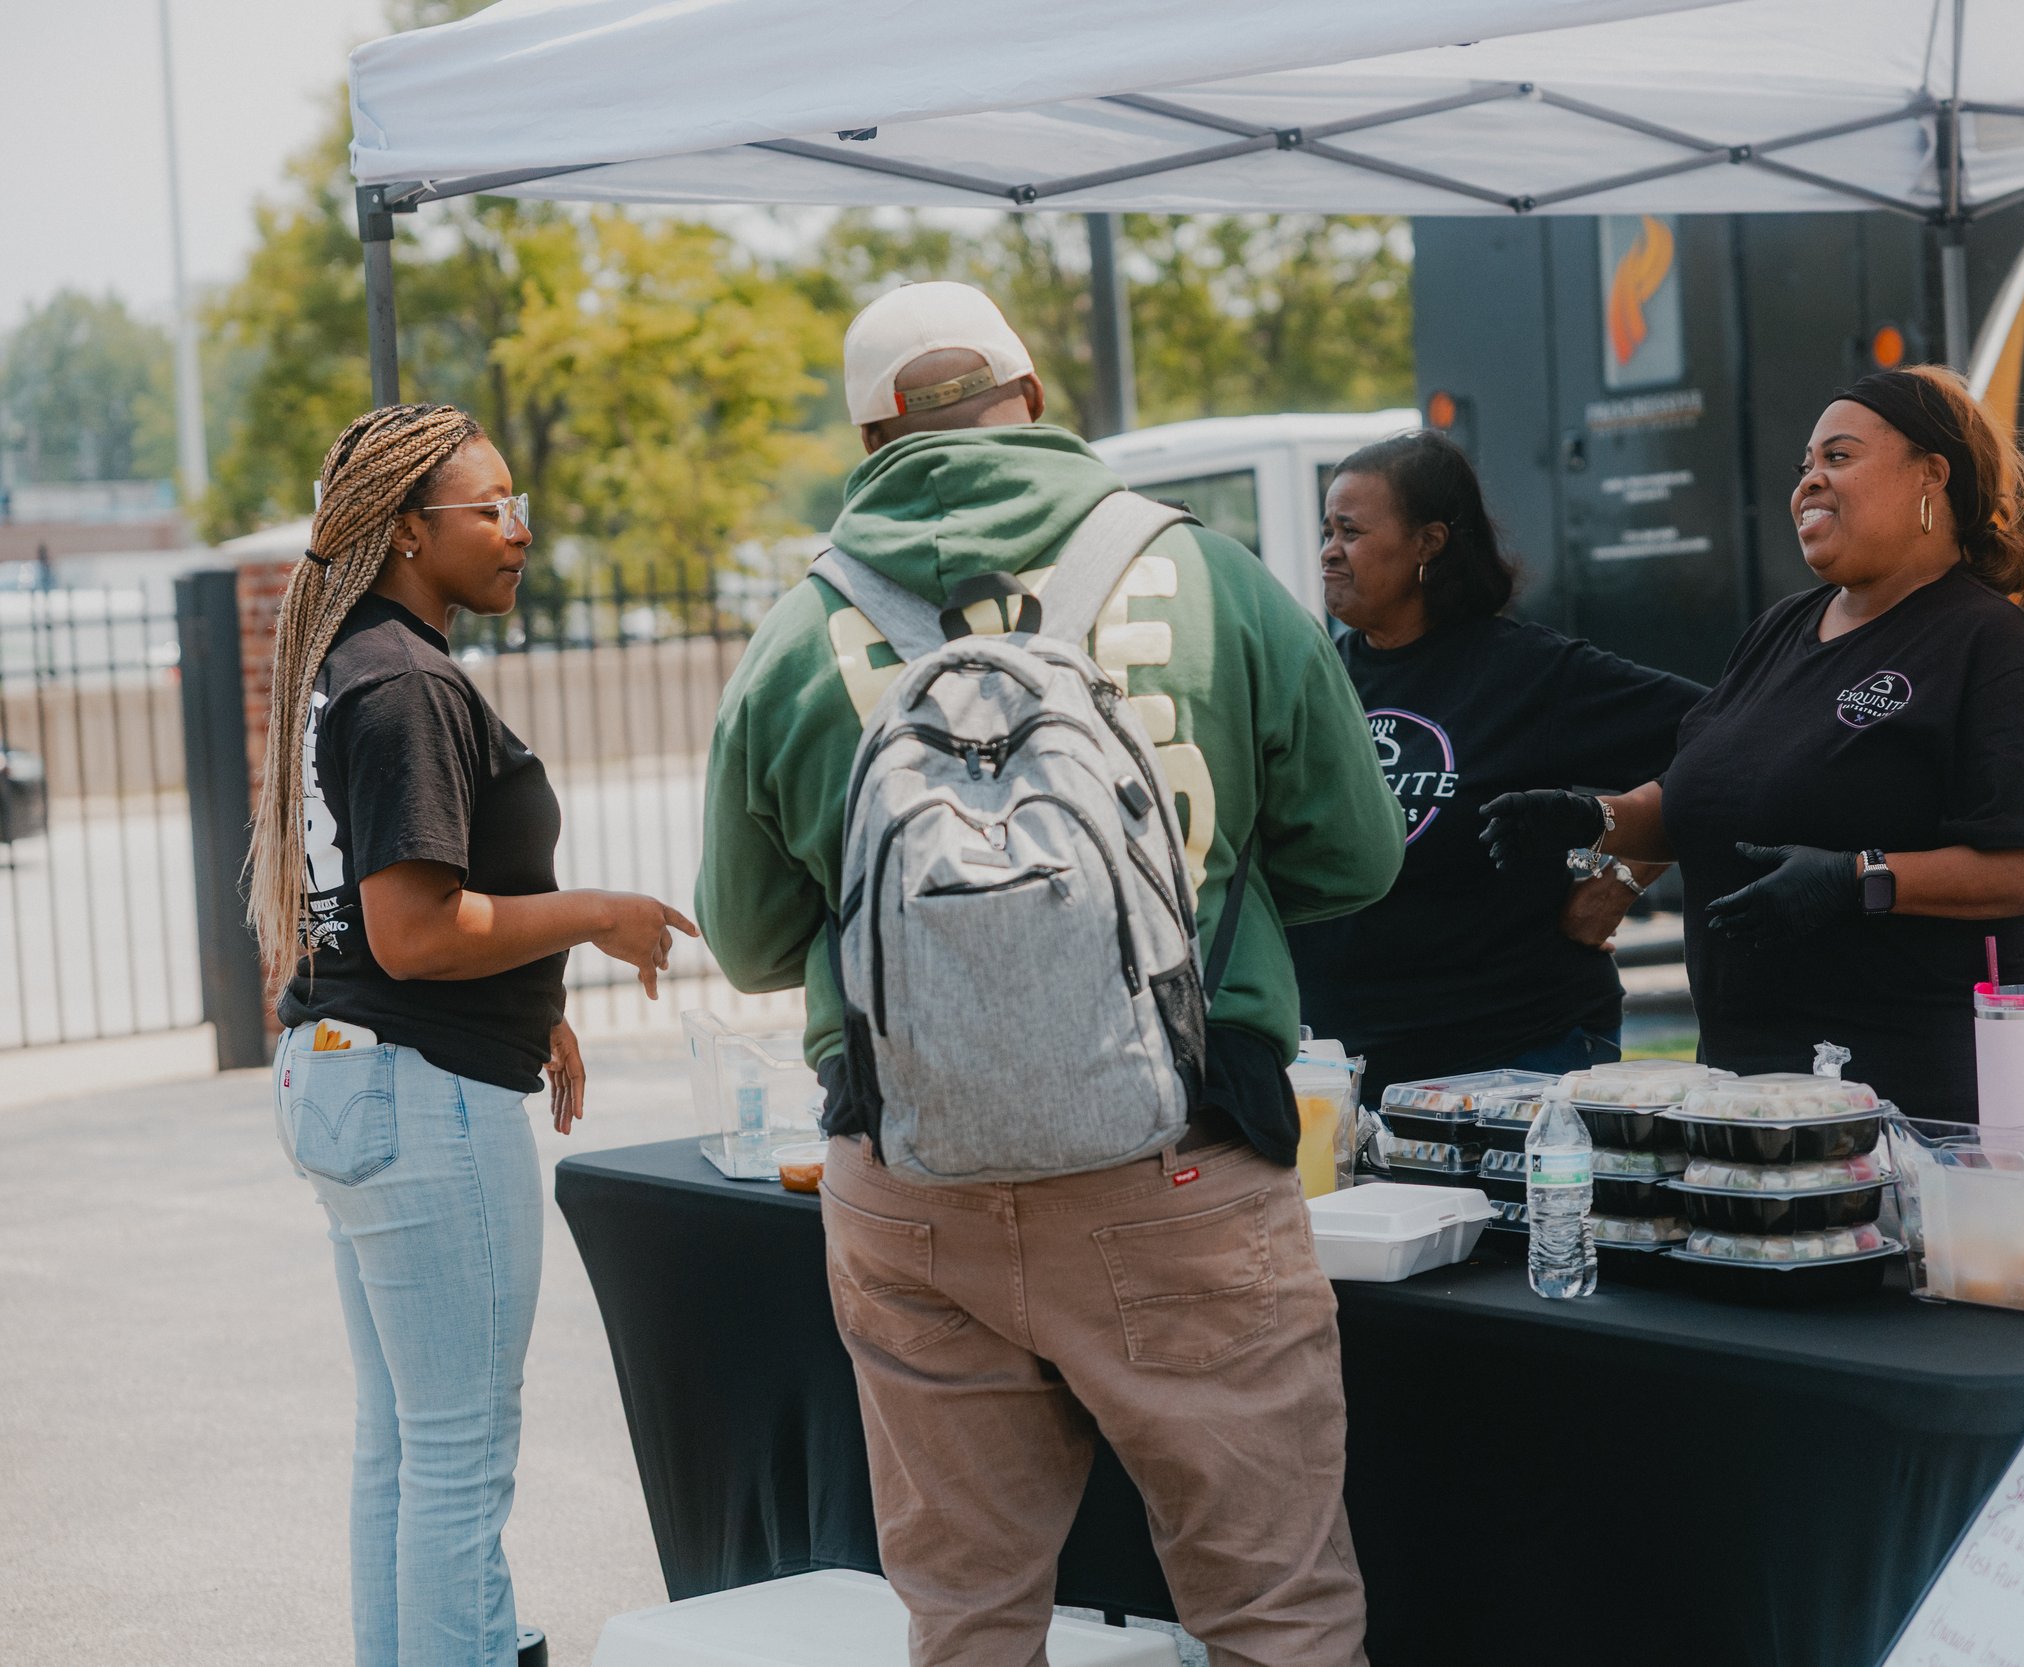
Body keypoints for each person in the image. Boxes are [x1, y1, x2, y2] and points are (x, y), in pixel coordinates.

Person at [696, 282, 1403, 1667]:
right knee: (1275, 1612)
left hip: (912, 1189)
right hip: (1183, 1167)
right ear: (1030, 397)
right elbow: (1358, 857)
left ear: (869, 436)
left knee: (968, 1623)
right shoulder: (1210, 576)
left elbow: (752, 943)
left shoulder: (797, 638)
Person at [248, 403, 696, 1667]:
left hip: (354, 1071)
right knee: (454, 1454)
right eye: (488, 508)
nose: (520, 527)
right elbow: (416, 930)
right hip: (415, 1092)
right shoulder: (405, 685)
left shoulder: (362, 663)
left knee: (406, 1441)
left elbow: (406, 917)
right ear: (404, 533)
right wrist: (597, 912)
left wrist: (533, 1000)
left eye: (516, 501)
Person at [1484, 366, 2024, 1119]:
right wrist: (1594, 818)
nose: (1808, 482)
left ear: (1931, 475)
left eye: (1838, 458)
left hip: (1927, 1097)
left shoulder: (1997, 646)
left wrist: (1860, 877)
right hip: (1755, 1092)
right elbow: (1701, 797)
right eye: (1804, 466)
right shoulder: (1779, 631)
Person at [1288, 431, 1702, 1096]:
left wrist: (1623, 874)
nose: (1329, 551)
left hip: (1514, 1053)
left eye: (1351, 531)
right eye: (1326, 530)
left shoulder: (1525, 672)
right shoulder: (1311, 675)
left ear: (1429, 543)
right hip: (1344, 1063)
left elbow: (1728, 739)